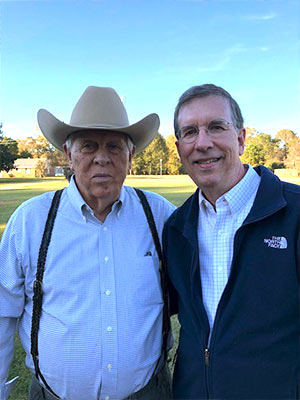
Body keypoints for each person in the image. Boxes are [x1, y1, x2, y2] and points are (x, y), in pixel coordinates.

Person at [0, 86, 176, 400]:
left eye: (114, 146)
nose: (101, 158)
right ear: (68, 154)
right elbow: (3, 312)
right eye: (88, 146)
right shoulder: (31, 221)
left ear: (131, 155)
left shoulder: (160, 215)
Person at [163, 84, 300, 399]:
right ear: (179, 146)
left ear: (240, 138)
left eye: (216, 127)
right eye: (189, 132)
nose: (203, 143)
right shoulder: (177, 227)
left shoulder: (294, 214)